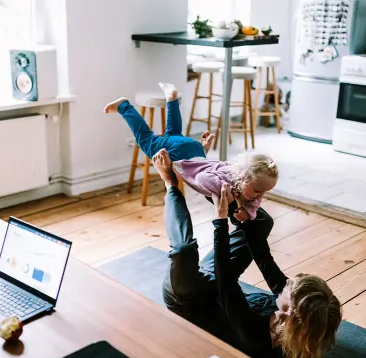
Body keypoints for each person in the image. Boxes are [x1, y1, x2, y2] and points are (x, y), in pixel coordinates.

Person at [151, 148, 342, 358]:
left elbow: (227, 281)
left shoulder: (255, 336)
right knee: (261, 223)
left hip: (189, 298)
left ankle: (170, 185)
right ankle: (223, 187)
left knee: (184, 250)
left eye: (290, 288)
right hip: (217, 283)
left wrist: (221, 221)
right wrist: (242, 219)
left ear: (292, 311)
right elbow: (263, 258)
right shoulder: (299, 314)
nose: (287, 283)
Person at [105, 83, 289, 286]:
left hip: (196, 152)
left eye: (263, 192)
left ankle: (172, 99)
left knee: (172, 134)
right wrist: (223, 193)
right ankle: (124, 106)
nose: (259, 196)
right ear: (244, 180)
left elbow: (253, 205)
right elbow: (202, 179)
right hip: (181, 158)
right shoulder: (227, 183)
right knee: (146, 140)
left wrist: (249, 214)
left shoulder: (245, 180)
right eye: (257, 191)